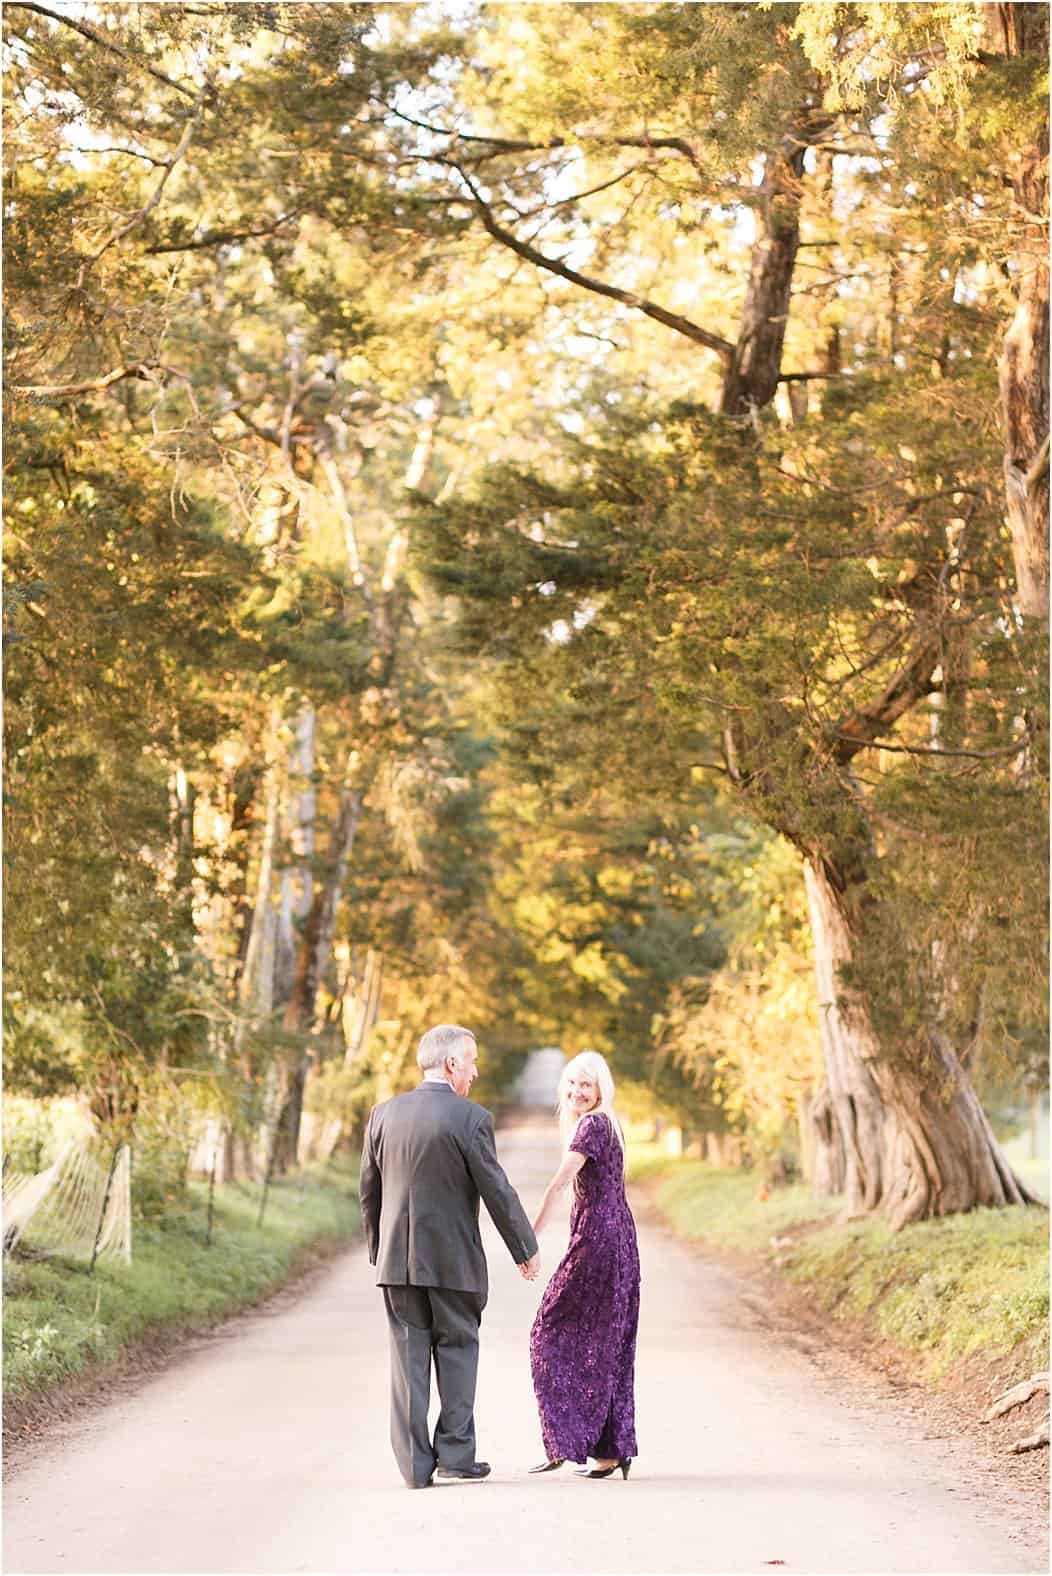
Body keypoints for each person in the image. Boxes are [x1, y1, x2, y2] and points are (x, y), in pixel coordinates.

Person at [359, 1024, 540, 1489]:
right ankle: (457, 1455)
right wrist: (525, 1248)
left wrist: (380, 1251)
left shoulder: (383, 1115)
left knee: (407, 1358)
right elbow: (496, 1189)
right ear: (452, 1064)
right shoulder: (470, 1119)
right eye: (472, 1061)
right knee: (458, 1351)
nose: (476, 1071)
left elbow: (369, 1193)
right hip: (454, 1261)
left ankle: (415, 1467)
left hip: (397, 1264)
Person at [528, 1050, 640, 1480]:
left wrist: (529, 1240)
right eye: (572, 1083)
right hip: (617, 1241)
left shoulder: (592, 1126)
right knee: (606, 1342)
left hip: (599, 1241)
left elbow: (559, 1183)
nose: (577, 1091)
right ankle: (610, 1450)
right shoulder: (604, 1125)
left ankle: (565, 1440)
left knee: (547, 1331)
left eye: (586, 1085)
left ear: (600, 1091)